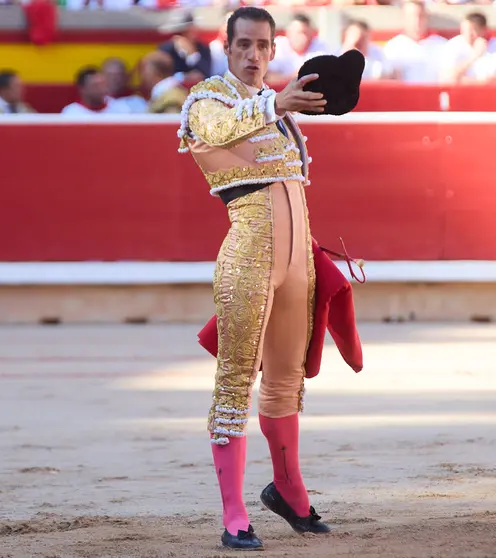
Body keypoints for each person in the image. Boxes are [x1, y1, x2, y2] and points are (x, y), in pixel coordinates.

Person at [175, 6, 332, 552]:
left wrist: (282, 103)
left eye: (263, 45)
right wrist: (275, 102)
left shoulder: (280, 112)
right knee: (235, 382)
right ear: (226, 46)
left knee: (287, 383)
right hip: (247, 258)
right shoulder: (207, 102)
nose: (253, 55)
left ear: (272, 48)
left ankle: (289, 491)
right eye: (243, 44)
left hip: (297, 265)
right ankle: (235, 512)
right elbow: (221, 129)